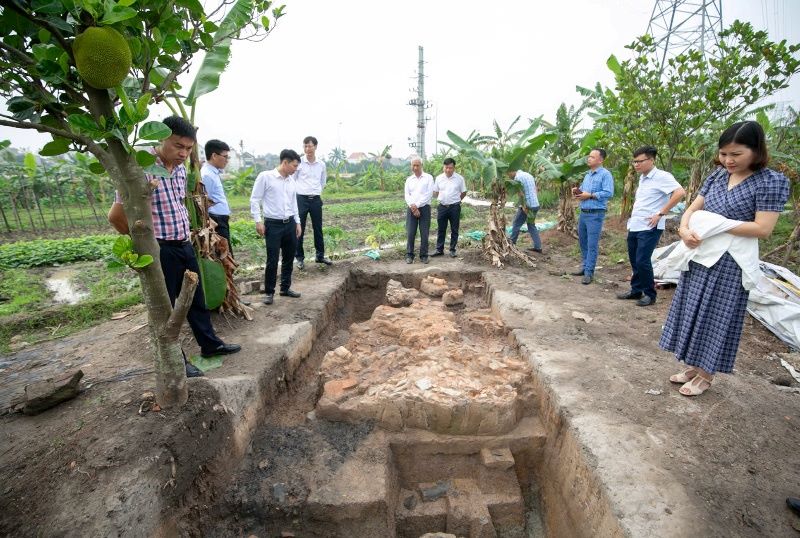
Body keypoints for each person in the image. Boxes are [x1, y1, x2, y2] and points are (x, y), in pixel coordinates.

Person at [660, 121, 789, 397]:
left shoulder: (770, 182)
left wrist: (713, 224)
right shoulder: (718, 176)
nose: (728, 160)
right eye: (723, 154)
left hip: (731, 263)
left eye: (736, 154)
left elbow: (763, 228)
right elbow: (693, 209)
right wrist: (684, 230)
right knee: (692, 309)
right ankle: (694, 366)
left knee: (717, 316)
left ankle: (706, 375)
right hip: (700, 255)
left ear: (756, 151)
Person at [110, 116, 241, 377]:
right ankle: (176, 360)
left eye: (189, 148)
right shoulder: (140, 168)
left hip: (183, 243)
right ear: (160, 139)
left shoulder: (180, 170)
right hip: (160, 249)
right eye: (178, 146)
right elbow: (115, 216)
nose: (183, 153)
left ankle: (210, 345)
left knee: (196, 298)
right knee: (167, 308)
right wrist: (145, 244)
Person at [616, 146, 685, 306]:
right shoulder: (643, 178)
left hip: (650, 226)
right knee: (634, 260)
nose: (636, 164)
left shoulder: (662, 176)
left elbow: (680, 192)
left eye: (640, 161)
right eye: (634, 161)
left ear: (651, 160)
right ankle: (636, 290)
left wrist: (661, 213)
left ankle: (649, 294)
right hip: (636, 225)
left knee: (642, 260)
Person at [250, 149, 303, 305]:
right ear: (285, 162)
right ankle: (269, 292)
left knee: (289, 257)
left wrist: (297, 222)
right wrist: (258, 221)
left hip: (290, 223)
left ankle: (285, 288)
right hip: (273, 224)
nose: (296, 169)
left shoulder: (291, 181)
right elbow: (255, 199)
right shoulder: (266, 177)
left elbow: (293, 203)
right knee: (272, 259)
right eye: (294, 166)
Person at [571, 148, 614, 284]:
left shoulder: (605, 174)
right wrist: (578, 192)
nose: (589, 159)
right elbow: (584, 192)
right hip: (583, 213)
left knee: (592, 244)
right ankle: (585, 267)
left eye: (592, 157)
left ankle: (589, 272)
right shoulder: (587, 175)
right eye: (589, 156)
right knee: (583, 242)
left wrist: (590, 195)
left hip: (595, 214)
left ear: (600, 160)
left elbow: (608, 192)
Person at [294, 136, 332, 269]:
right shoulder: (299, 163)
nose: (307, 149)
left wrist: (316, 192)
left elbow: (323, 181)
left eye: (310, 146)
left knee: (318, 228)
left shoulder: (321, 164)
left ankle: (320, 256)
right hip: (301, 199)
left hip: (315, 199)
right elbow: (293, 179)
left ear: (315, 147)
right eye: (305, 146)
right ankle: (299, 258)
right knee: (299, 228)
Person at [202, 139, 233, 255]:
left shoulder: (213, 173)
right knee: (223, 254)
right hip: (216, 220)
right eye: (225, 157)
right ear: (214, 156)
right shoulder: (207, 175)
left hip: (220, 219)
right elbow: (205, 202)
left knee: (226, 253)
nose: (227, 160)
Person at [432, 157, 467, 258]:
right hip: (442, 207)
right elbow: (436, 192)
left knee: (454, 229)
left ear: (454, 168)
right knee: (441, 229)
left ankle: (452, 249)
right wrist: (442, 199)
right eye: (446, 167)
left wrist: (457, 200)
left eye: (450, 168)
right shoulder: (439, 178)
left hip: (454, 207)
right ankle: (439, 249)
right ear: (443, 167)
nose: (448, 170)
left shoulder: (459, 179)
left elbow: (464, 192)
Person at [404, 157, 434, 264]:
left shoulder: (428, 178)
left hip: (424, 208)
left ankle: (424, 255)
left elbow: (429, 194)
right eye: (413, 165)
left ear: (422, 165)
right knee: (410, 233)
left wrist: (416, 205)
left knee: (424, 233)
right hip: (411, 208)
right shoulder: (409, 179)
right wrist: (413, 206)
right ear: (411, 166)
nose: (415, 167)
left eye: (417, 165)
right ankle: (409, 255)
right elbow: (407, 195)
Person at [507, 168, 543, 253]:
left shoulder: (517, 178)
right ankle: (538, 247)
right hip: (535, 204)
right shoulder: (529, 175)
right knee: (531, 225)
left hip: (527, 205)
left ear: (512, 171)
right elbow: (535, 190)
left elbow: (521, 194)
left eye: (508, 174)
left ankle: (512, 243)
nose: (509, 176)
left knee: (516, 223)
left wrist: (524, 207)